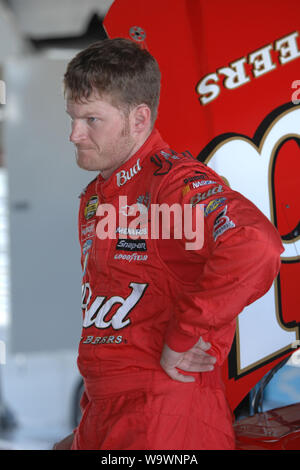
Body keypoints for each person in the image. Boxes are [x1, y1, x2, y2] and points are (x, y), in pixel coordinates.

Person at [53, 38, 283, 450]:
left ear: (139, 119)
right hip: (109, 411)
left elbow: (256, 244)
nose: (74, 134)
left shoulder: (172, 183)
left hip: (167, 413)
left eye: (91, 120)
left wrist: (187, 334)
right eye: (72, 118)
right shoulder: (97, 196)